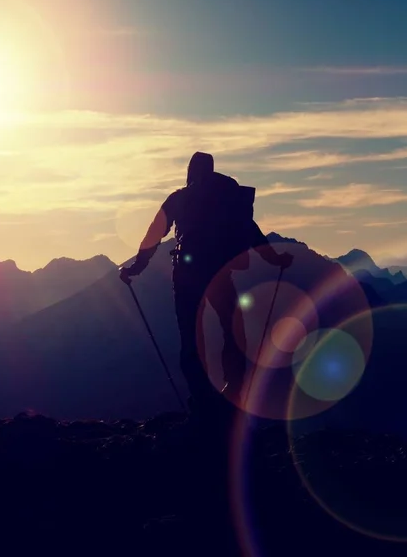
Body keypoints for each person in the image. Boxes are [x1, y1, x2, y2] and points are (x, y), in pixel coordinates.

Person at [119, 151, 293, 418]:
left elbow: (155, 233)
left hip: (187, 274)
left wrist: (136, 268)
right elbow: (251, 231)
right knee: (232, 330)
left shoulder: (179, 198)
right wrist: (275, 259)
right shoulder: (228, 200)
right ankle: (233, 392)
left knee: (191, 337)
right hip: (220, 273)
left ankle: (201, 400)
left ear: (190, 171)